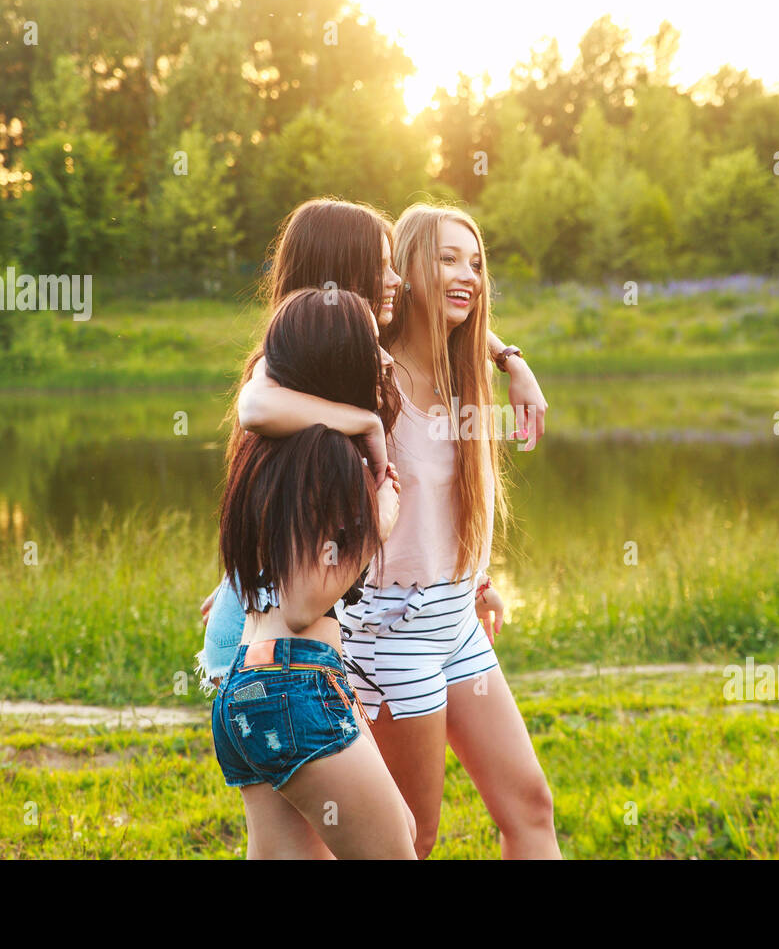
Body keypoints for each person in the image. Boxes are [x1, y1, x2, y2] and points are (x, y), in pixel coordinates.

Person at [235, 202, 560, 859]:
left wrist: (509, 356)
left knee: (530, 805)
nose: (467, 274)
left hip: (457, 620)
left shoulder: (461, 369)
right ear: (404, 274)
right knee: (412, 837)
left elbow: (440, 505)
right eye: (446, 260)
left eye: (476, 262)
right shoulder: (367, 375)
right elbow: (259, 410)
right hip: (391, 632)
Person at [210, 286, 415, 859]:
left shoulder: (269, 448)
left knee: (393, 824)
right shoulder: (327, 452)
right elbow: (302, 603)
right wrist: (380, 523)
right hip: (293, 683)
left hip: (248, 685)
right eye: (370, 344)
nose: (383, 356)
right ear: (341, 358)